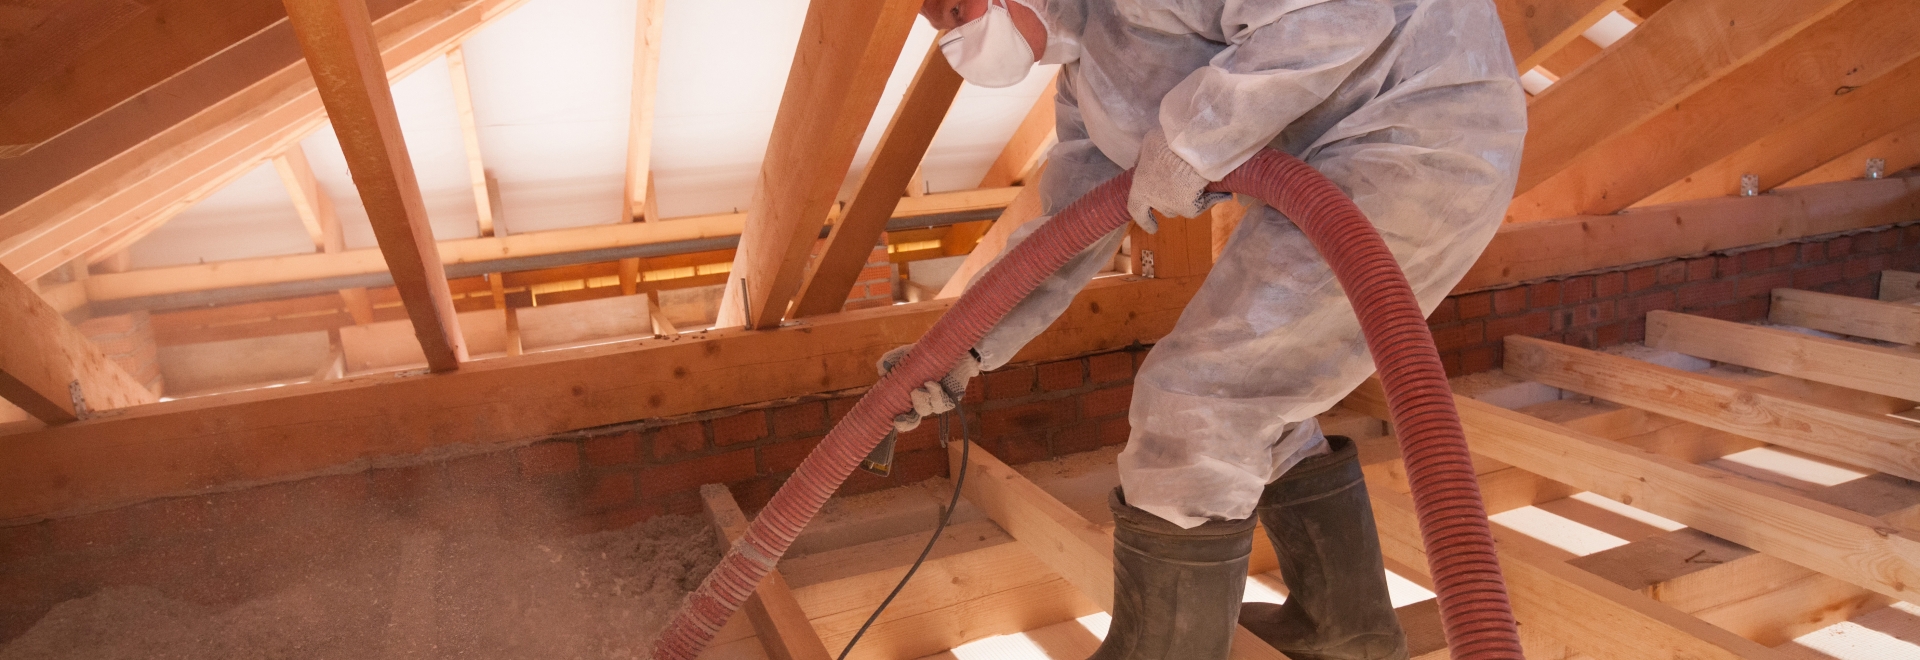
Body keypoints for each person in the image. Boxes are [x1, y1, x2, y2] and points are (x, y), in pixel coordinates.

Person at [882, 0, 1525, 657]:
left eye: (956, 10)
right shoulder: (1086, 81)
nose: (954, 36)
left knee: (1195, 400)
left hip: (1420, 129)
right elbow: (1063, 236)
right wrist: (961, 349)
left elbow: (1333, 16)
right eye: (937, 24)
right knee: (1248, 403)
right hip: (1343, 165)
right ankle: (1341, 626)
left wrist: (1192, 139)